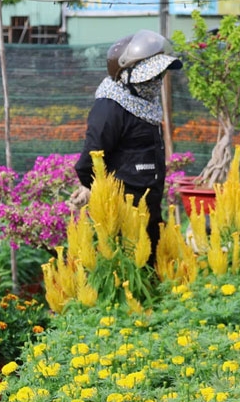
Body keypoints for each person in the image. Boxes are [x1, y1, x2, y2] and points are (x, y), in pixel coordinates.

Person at [74, 29, 182, 252]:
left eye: (159, 75)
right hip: (120, 211)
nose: (156, 81)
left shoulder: (146, 105)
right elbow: (92, 156)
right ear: (126, 75)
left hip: (148, 205)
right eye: (150, 75)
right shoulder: (111, 106)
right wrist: (94, 189)